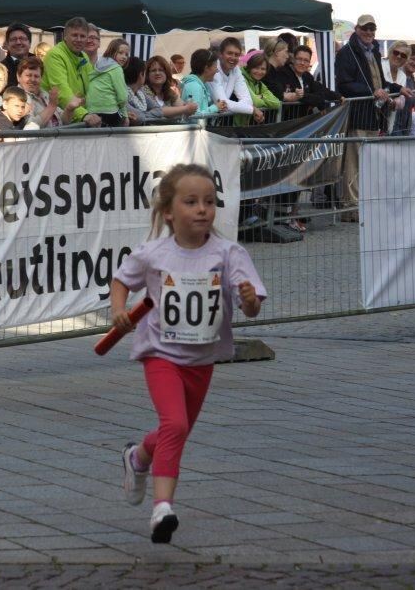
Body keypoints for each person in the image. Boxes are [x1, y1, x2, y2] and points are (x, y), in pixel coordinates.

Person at [111, 163, 266, 544]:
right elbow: (121, 279)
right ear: (168, 211)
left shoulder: (228, 253)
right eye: (191, 201)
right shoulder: (154, 253)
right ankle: (163, 509)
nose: (202, 209)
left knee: (172, 431)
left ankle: (138, 458)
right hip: (160, 353)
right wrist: (118, 310)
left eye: (210, 202)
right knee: (175, 426)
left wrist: (249, 301)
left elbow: (251, 304)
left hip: (202, 360)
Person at [334, 14, 411, 217]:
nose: (369, 32)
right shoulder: (346, 53)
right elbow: (343, 84)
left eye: (372, 29)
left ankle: (360, 203)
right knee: (353, 161)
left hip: (373, 114)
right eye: (365, 28)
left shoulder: (374, 51)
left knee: (366, 162)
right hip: (357, 113)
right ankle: (350, 208)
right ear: (357, 29)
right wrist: (371, 92)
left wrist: (397, 87)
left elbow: (380, 83)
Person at [42, 17, 100, 127]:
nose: (79, 39)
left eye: (82, 36)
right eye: (74, 35)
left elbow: (94, 88)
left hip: (76, 121)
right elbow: (61, 91)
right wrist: (83, 115)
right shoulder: (55, 55)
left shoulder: (84, 58)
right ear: (65, 37)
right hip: (55, 121)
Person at [17, 56, 79, 128]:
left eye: (36, 76)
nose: (33, 79)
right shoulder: (17, 97)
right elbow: (30, 127)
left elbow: (63, 122)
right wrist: (51, 106)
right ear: (18, 77)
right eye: (28, 75)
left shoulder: (44, 94)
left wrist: (70, 108)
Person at [275, 44, 340, 112]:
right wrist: (313, 99)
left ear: (309, 63)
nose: (302, 63)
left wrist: (338, 97)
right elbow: (298, 95)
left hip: (306, 119)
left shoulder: (307, 76)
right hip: (287, 119)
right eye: (299, 59)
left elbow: (320, 90)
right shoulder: (283, 74)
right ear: (293, 59)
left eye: (306, 60)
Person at [86, 39, 130, 127]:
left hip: (91, 111)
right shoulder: (116, 68)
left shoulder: (98, 65)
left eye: (126, 54)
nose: (124, 57)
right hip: (110, 110)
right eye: (120, 53)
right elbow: (122, 96)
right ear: (111, 52)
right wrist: (125, 115)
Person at [209, 37, 254, 118]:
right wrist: (251, 110)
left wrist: (248, 107)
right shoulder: (213, 70)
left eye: (237, 55)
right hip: (201, 122)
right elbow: (222, 102)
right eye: (229, 53)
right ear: (220, 54)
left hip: (217, 121)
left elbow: (248, 100)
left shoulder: (236, 69)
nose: (233, 57)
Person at [143, 55, 198, 121]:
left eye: (161, 70)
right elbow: (159, 110)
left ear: (166, 73)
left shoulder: (169, 92)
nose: (157, 73)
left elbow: (181, 106)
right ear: (147, 74)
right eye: (153, 70)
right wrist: (186, 109)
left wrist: (189, 106)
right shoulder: (144, 90)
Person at [180, 49, 228, 118]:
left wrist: (217, 108)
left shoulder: (201, 85)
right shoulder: (194, 86)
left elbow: (201, 110)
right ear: (206, 68)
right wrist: (215, 108)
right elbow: (194, 116)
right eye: (215, 66)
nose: (217, 71)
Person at [239, 51, 281, 126]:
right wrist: (261, 100)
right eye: (256, 68)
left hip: (246, 127)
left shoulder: (260, 84)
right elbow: (255, 102)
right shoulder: (241, 79)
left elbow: (277, 103)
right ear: (250, 67)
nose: (259, 72)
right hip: (233, 126)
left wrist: (261, 96)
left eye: (263, 69)